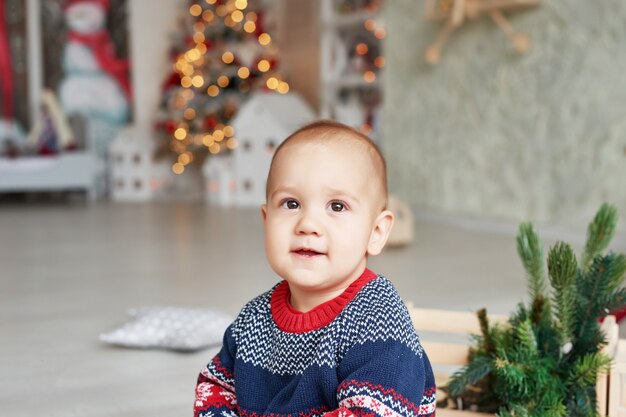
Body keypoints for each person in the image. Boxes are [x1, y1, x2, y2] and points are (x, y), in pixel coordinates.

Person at [194, 120, 436, 417]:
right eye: (291, 203)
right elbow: (216, 386)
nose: (308, 224)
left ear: (375, 232)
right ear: (266, 220)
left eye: (337, 206)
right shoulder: (253, 320)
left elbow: (374, 412)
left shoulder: (378, 320)